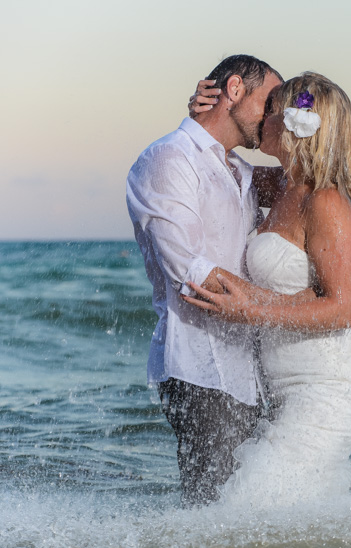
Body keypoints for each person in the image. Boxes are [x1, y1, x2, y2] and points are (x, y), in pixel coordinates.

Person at [183, 72, 351, 507]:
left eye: (270, 109)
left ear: (292, 123)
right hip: (289, 388)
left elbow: (343, 309)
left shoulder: (325, 201)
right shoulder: (283, 185)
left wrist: (250, 309)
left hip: (330, 387)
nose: (262, 118)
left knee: (247, 509)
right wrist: (204, 117)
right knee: (289, 515)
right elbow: (215, 169)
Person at [126, 55, 286, 506]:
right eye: (269, 102)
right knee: (210, 517)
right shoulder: (168, 159)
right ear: (234, 89)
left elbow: (310, 177)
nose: (275, 114)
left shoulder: (240, 171)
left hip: (249, 371)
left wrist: (308, 110)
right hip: (199, 370)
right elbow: (190, 274)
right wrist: (292, 313)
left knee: (246, 513)